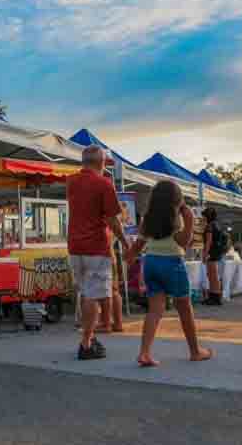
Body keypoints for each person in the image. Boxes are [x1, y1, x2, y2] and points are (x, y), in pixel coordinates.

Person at [127, 180, 213, 367]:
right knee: (184, 307)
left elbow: (138, 245)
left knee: (154, 310)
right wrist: (189, 220)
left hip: (150, 262)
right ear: (177, 198)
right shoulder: (178, 217)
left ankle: (144, 352)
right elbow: (183, 242)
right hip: (172, 263)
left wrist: (129, 259)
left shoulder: (148, 218)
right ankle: (195, 351)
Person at [67, 145, 129, 361]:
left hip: (75, 246)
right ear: (100, 163)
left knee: (86, 292)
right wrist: (124, 242)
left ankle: (91, 336)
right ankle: (86, 343)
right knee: (94, 295)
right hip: (96, 247)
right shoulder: (104, 184)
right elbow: (113, 220)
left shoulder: (71, 182)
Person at [201, 207, 225, 306]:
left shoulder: (210, 226)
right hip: (217, 252)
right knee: (214, 275)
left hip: (211, 252)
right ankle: (215, 296)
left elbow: (208, 241)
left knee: (212, 275)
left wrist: (204, 253)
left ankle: (214, 297)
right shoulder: (217, 225)